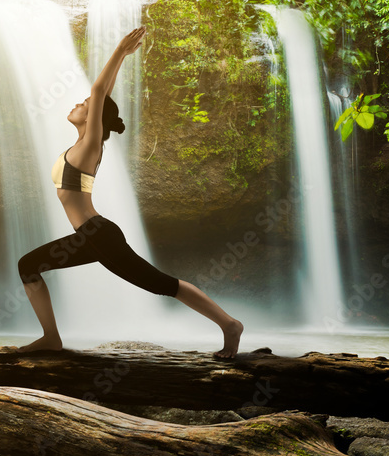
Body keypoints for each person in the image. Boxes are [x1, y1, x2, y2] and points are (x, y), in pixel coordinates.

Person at [16, 26, 243, 358]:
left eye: (84, 105)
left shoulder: (91, 145)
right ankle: (51, 337)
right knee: (29, 266)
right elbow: (100, 95)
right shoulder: (81, 145)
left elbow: (97, 91)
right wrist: (117, 62)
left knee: (162, 285)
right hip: (90, 235)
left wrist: (120, 52)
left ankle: (229, 325)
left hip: (98, 234)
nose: (79, 104)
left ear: (93, 117)